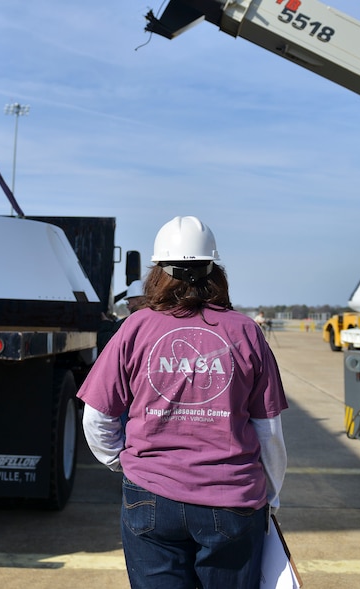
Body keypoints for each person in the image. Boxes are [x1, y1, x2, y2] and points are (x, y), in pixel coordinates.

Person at [77, 216, 288, 589]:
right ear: (215, 271)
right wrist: (269, 495)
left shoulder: (136, 327)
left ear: (158, 273)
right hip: (232, 502)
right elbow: (268, 432)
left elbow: (97, 416)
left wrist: (122, 463)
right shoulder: (246, 331)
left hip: (150, 496)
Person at [97, 278, 146, 352]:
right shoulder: (156, 319)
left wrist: (106, 324)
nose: (127, 306)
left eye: (128, 303)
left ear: (138, 300)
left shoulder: (131, 322)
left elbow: (107, 343)